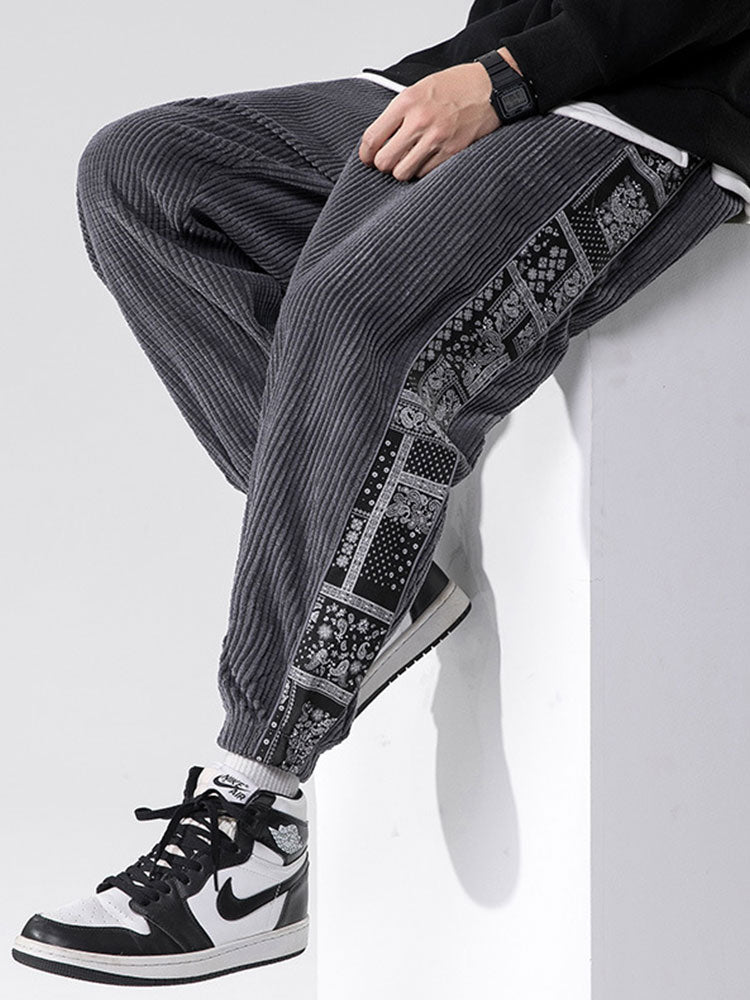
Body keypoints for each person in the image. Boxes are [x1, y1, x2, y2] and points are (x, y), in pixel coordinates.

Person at [11, 0, 750, 987]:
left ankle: (257, 821)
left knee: (350, 313)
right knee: (141, 174)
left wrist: (509, 81)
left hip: (656, 104)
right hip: (490, 67)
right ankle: (383, 575)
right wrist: (488, 69)